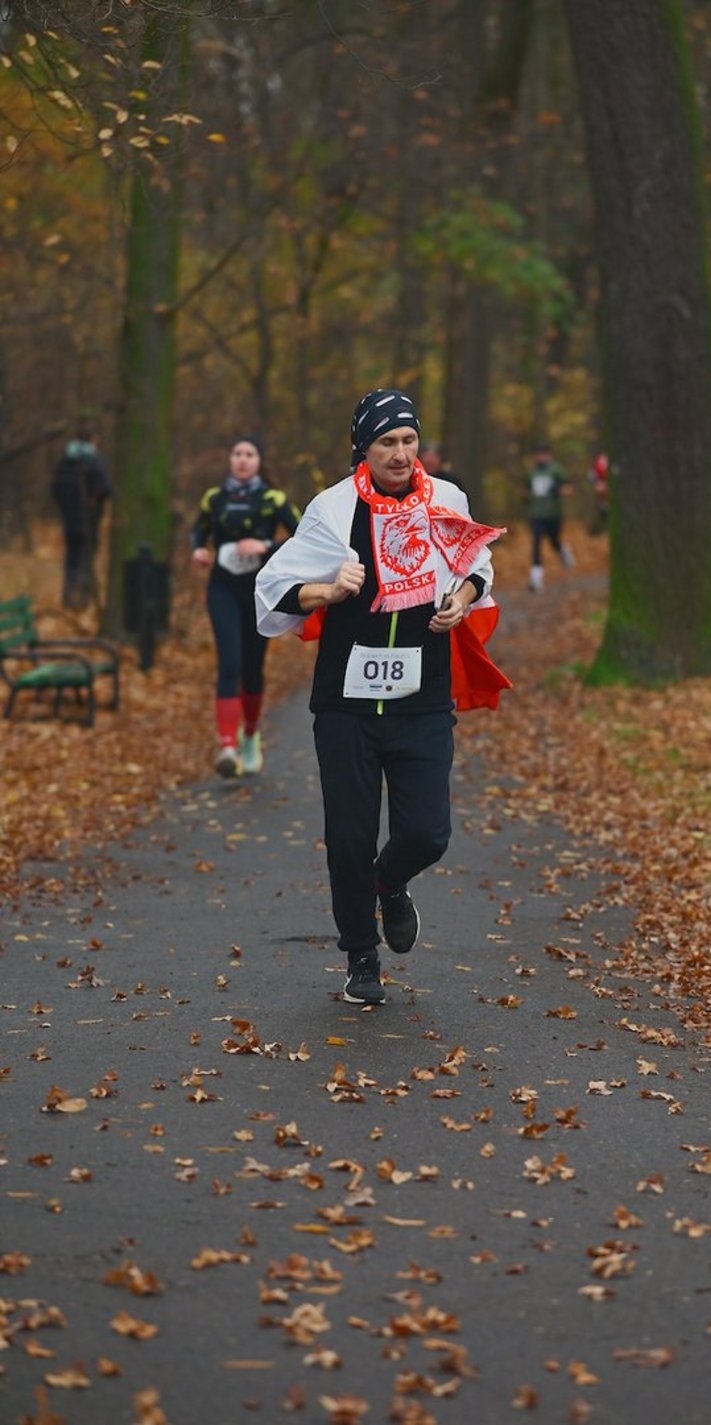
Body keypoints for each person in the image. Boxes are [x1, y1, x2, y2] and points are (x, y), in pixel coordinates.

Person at [255, 389, 510, 1007]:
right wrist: (325, 588)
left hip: (421, 696)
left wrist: (465, 595)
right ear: (362, 450)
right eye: (387, 443)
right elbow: (271, 591)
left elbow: (478, 564)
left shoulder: (446, 499)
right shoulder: (333, 509)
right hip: (345, 703)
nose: (400, 454)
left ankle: (388, 884)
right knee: (348, 833)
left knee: (427, 832)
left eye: (408, 440)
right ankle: (361, 957)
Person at [190, 436, 300, 778]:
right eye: (236, 454)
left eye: (249, 454)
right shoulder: (215, 498)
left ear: (258, 461)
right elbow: (198, 531)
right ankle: (227, 746)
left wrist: (265, 544)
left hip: (259, 592)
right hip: (222, 588)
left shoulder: (272, 498)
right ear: (229, 459)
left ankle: (250, 734)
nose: (241, 460)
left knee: (252, 668)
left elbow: (301, 536)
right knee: (230, 663)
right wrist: (199, 550)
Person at [51, 422, 112, 610]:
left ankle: (68, 596)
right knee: (87, 558)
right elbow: (105, 489)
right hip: (89, 521)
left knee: (71, 558)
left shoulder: (64, 462)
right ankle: (84, 599)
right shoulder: (95, 462)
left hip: (69, 520)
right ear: (92, 439)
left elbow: (55, 490)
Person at [525, 442, 572, 591]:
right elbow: (526, 490)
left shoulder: (556, 470)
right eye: (537, 454)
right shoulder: (532, 472)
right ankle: (536, 578)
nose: (540, 457)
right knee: (536, 542)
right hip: (537, 514)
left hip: (553, 514)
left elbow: (568, 488)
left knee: (553, 541)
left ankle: (562, 550)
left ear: (548, 455)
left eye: (543, 454)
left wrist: (557, 490)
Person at [587, 451, 610, 535]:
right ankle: (599, 528)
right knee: (602, 507)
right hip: (603, 493)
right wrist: (597, 483)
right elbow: (591, 474)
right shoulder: (601, 459)